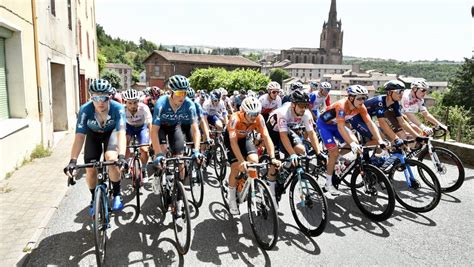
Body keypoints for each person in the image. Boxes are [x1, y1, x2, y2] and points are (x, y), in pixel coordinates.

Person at [63, 79, 128, 215]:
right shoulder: (85, 110)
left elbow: (121, 133)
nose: (100, 102)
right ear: (90, 97)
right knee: (90, 169)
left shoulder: (118, 108)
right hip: (93, 136)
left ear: (109, 96)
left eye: (104, 97)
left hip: (111, 134)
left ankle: (116, 193)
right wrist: (73, 161)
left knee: (111, 159)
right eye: (95, 97)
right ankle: (93, 197)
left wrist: (121, 156)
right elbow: (80, 136)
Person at [317, 85, 384, 195]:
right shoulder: (341, 106)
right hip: (325, 125)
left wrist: (380, 140)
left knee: (356, 143)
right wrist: (351, 143)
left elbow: (370, 124)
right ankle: (328, 184)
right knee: (334, 152)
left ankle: (337, 159)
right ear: (351, 98)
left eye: (364, 98)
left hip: (338, 124)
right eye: (359, 98)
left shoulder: (361, 107)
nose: (362, 101)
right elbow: (341, 127)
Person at [225, 97, 280, 215]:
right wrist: (241, 161)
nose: (253, 117)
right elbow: (233, 142)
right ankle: (231, 198)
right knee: (236, 166)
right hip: (231, 140)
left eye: (256, 114)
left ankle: (246, 182)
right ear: (243, 112)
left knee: (254, 162)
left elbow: (266, 137)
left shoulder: (259, 119)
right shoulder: (235, 118)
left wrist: (272, 157)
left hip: (245, 139)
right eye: (251, 114)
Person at [266, 90, 323, 174]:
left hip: (286, 129)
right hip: (273, 131)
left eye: (305, 106)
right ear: (293, 104)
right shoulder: (283, 113)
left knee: (301, 150)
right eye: (301, 105)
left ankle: (285, 167)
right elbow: (283, 136)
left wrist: (318, 153)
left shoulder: (306, 113)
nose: (303, 109)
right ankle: (272, 185)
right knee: (275, 163)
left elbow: (311, 133)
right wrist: (292, 154)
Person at [122, 88, 152, 182]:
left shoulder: (144, 108)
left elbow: (150, 124)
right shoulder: (122, 109)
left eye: (135, 102)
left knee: (144, 149)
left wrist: (151, 140)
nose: (133, 105)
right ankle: (126, 164)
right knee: (124, 144)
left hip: (141, 128)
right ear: (125, 102)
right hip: (129, 127)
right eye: (129, 103)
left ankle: (144, 169)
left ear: (138, 101)